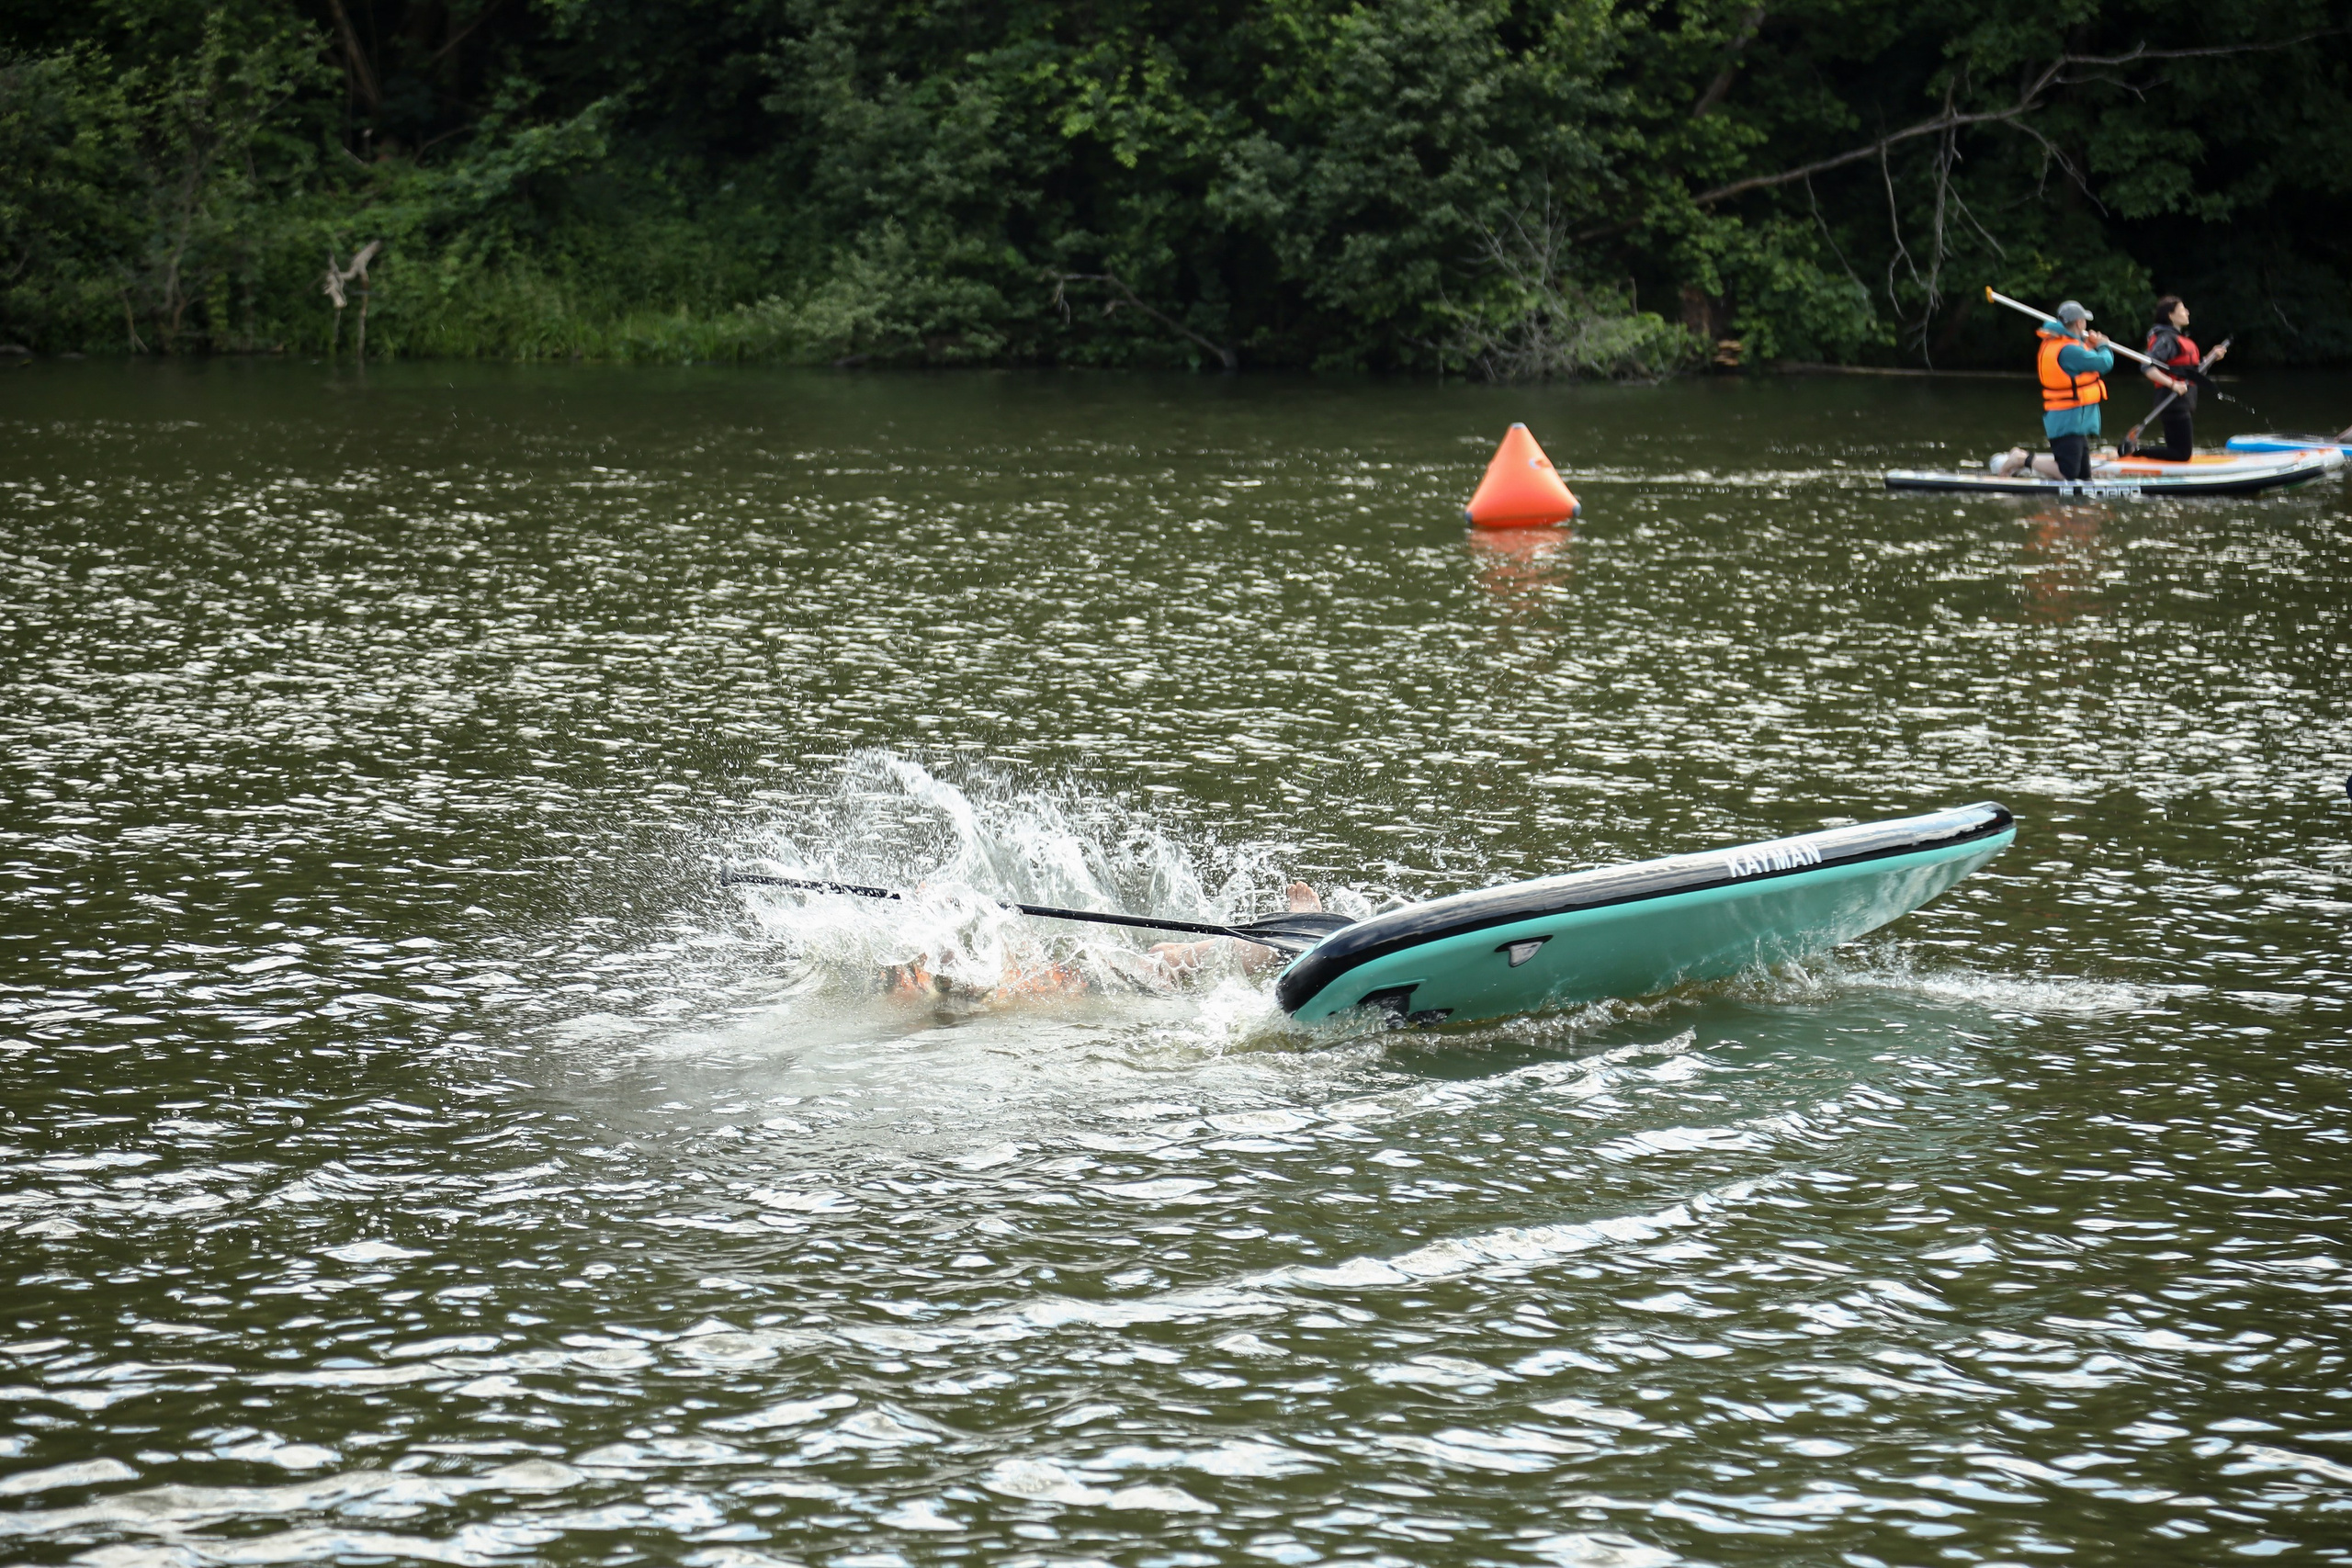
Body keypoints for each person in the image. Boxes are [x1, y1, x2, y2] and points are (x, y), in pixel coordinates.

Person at [880, 882, 1324, 999]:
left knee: (1159, 966)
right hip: (1116, 984)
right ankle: (1296, 930)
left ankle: (1295, 929)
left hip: (1106, 975)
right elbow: (953, 988)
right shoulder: (942, 1002)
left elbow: (955, 985)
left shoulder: (956, 997)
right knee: (1161, 967)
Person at [2132, 296, 2222, 461]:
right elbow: (2147, 367)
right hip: (2171, 401)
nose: (2187, 312)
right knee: (2182, 454)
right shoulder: (2166, 339)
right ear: (2171, 315)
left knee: (2178, 451)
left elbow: (2193, 373)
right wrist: (2173, 384)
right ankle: (2136, 452)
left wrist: (2211, 357)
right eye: (2182, 309)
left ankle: (2139, 452)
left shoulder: (2178, 338)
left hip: (2181, 402)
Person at [2036, 299, 2114, 480]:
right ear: (2080, 323)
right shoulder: (2069, 350)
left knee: (2084, 476)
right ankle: (2022, 459)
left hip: (2076, 420)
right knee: (2068, 473)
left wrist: (2091, 344)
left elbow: (2083, 356)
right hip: (2066, 420)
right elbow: (2103, 363)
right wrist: (2104, 345)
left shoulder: (2069, 345)